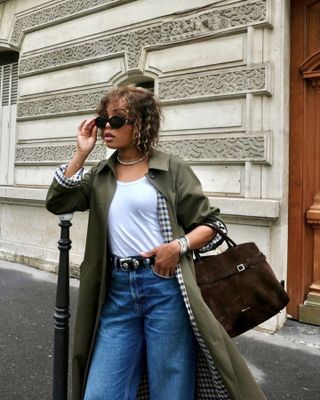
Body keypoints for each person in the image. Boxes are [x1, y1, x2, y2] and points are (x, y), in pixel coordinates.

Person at [46, 85, 266, 400]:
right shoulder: (102, 174)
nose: (107, 127)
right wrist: (81, 153)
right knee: (101, 392)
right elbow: (59, 203)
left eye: (118, 121)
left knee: (170, 390)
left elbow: (211, 224)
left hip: (165, 289)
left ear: (141, 124)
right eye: (103, 120)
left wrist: (177, 247)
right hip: (117, 290)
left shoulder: (171, 168)